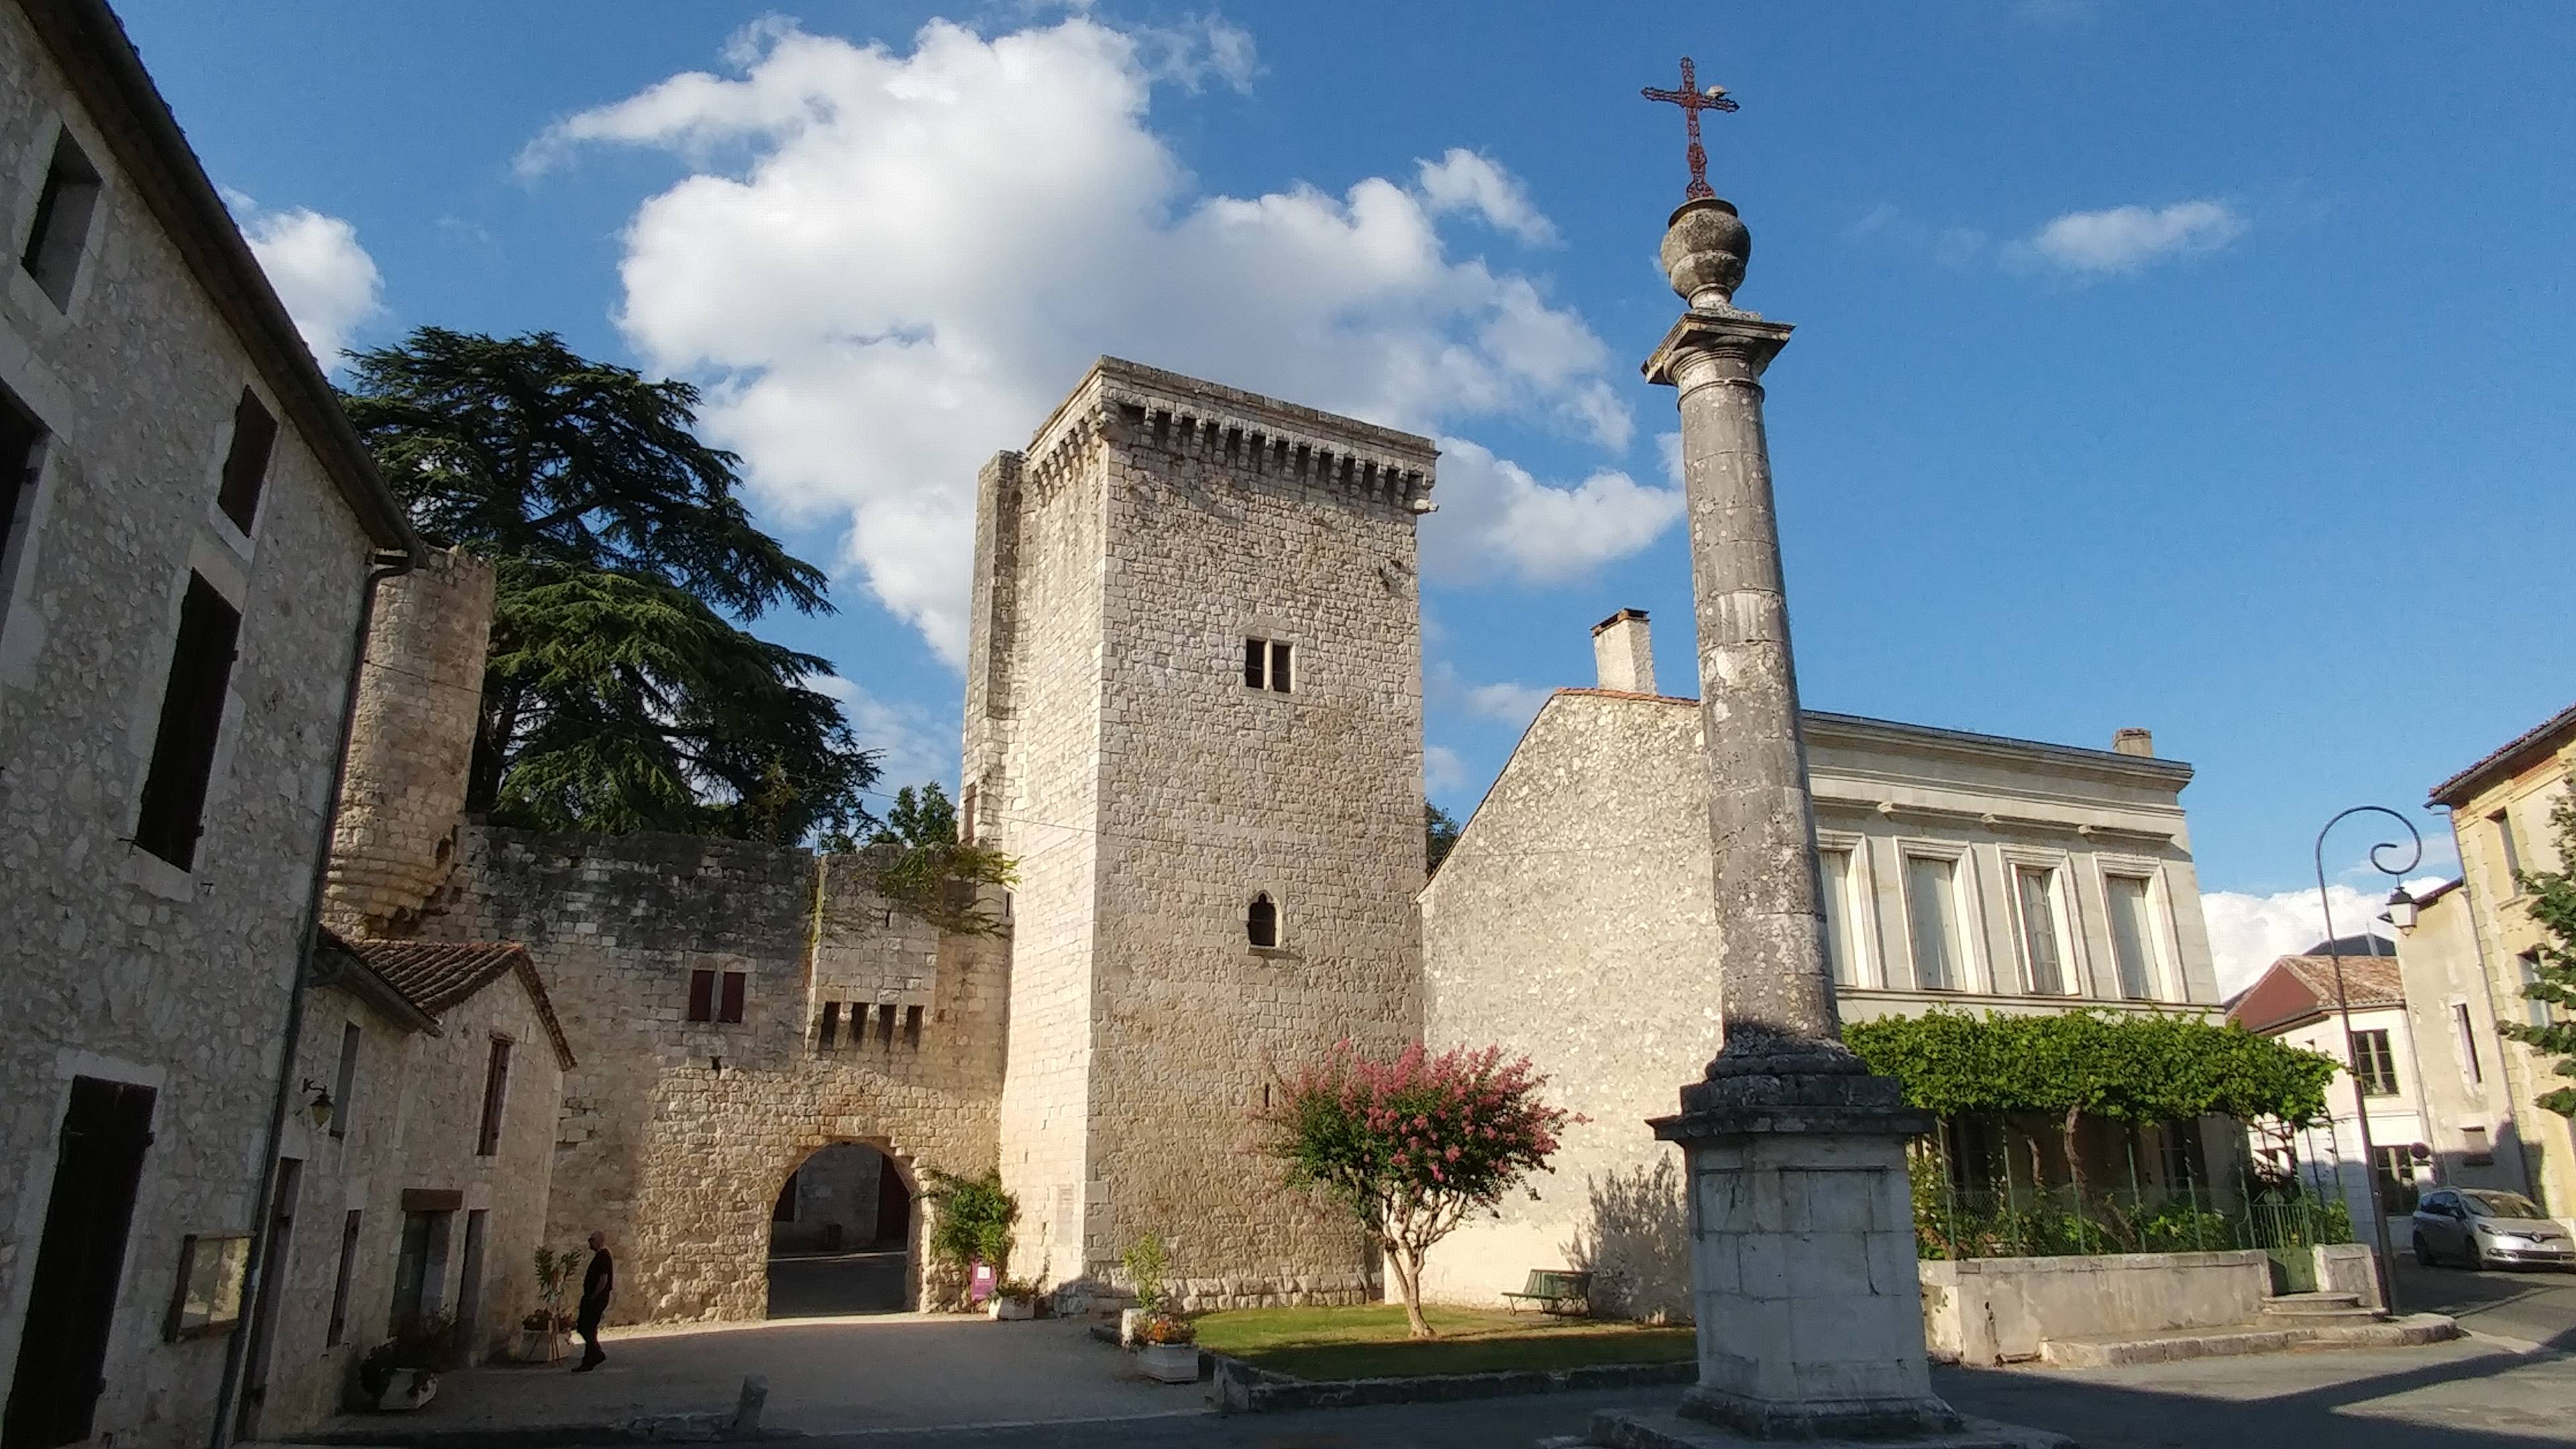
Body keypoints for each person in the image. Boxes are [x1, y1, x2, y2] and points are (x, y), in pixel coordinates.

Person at [574, 1231, 614, 1372]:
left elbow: (604, 1279)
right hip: (594, 1298)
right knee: (588, 1328)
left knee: (586, 1327)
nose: (589, 1243)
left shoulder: (603, 1257)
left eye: (592, 1240)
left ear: (600, 1241)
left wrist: (593, 1296)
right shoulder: (600, 1256)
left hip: (595, 1299)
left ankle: (594, 1356)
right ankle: (593, 1357)